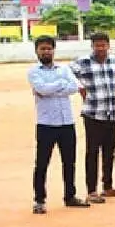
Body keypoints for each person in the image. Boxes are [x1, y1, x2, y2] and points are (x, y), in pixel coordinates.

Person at [28, 36, 90, 213]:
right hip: (46, 123)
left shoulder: (64, 68)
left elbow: (75, 87)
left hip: (66, 122)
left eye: (49, 48)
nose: (46, 52)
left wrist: (50, 89)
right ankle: (39, 200)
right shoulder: (33, 72)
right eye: (43, 49)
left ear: (54, 50)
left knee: (69, 162)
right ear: (37, 51)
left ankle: (70, 196)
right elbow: (42, 89)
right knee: (42, 163)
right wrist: (60, 85)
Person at [71, 32, 115, 203]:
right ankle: (91, 190)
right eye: (97, 45)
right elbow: (68, 74)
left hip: (111, 113)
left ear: (108, 46)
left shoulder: (114, 61)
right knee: (92, 153)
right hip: (93, 114)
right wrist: (80, 86)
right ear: (92, 46)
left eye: (104, 45)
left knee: (110, 153)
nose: (101, 48)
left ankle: (108, 187)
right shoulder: (83, 62)